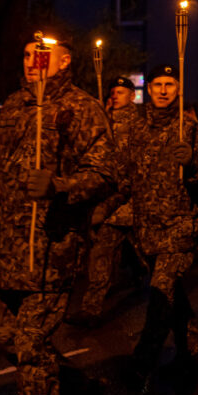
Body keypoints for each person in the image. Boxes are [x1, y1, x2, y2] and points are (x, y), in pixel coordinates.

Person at [0, 35, 114, 395]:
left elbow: (105, 172)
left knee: (32, 347)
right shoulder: (14, 105)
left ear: (64, 60)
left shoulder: (81, 107)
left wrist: (61, 186)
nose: (32, 60)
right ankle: (76, 386)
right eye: (28, 53)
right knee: (4, 338)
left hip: (51, 247)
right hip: (6, 249)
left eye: (42, 54)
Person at [121, 65, 198, 391]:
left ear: (178, 88)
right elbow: (124, 175)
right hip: (146, 229)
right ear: (148, 90)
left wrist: (192, 162)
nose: (163, 90)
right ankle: (192, 353)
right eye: (157, 85)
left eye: (170, 84)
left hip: (180, 226)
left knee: (160, 294)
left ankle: (139, 367)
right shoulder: (135, 128)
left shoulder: (191, 129)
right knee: (172, 294)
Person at [68, 75, 142, 327]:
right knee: (104, 246)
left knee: (138, 250)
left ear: (132, 96)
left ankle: (152, 284)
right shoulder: (104, 120)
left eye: (121, 92)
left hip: (131, 197)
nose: (115, 95)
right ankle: (92, 307)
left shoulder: (139, 124)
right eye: (113, 91)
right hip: (108, 197)